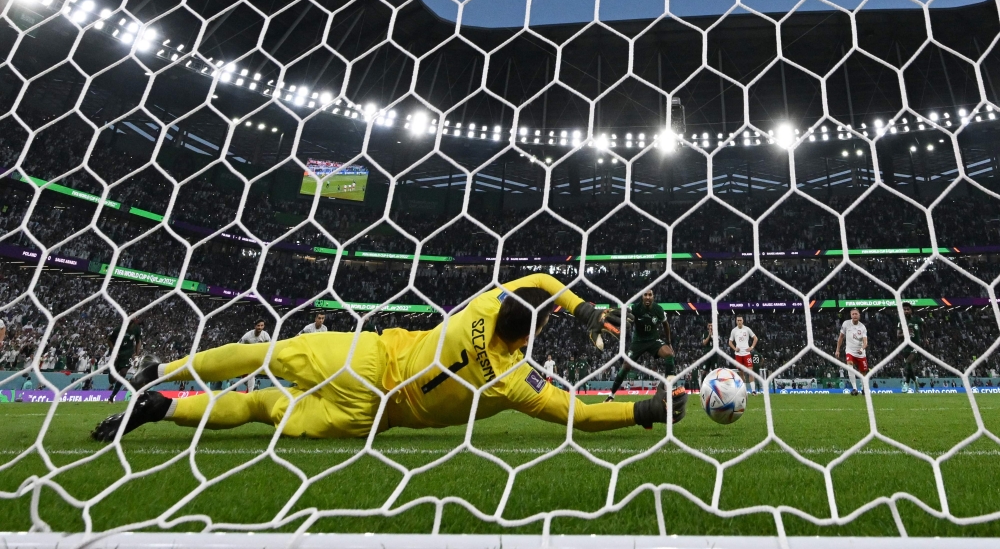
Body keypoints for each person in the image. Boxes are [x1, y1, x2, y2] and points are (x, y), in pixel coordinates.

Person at [91, 274, 687, 442]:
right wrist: (644, 413)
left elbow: (536, 279)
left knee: (262, 353)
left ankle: (163, 373)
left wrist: (576, 305)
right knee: (256, 406)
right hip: (373, 414)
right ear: (530, 338)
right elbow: (578, 415)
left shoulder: (479, 308)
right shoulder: (511, 381)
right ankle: (162, 408)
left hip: (364, 356)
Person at [605, 289, 675, 403]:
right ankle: (611, 395)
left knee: (669, 355)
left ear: (653, 297)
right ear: (642, 297)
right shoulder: (635, 308)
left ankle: (667, 392)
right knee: (626, 366)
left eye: (650, 295)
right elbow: (624, 313)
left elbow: (666, 325)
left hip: (653, 340)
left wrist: (669, 343)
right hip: (638, 341)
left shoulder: (658, 310)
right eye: (645, 295)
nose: (647, 297)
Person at [108, 319, 142, 403]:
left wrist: (137, 354)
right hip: (117, 354)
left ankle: (112, 397)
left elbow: (138, 342)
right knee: (112, 380)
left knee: (123, 373)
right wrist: (114, 351)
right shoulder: (118, 329)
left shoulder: (137, 329)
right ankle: (113, 378)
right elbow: (109, 340)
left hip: (128, 355)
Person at [835, 308, 868, 397]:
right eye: (853, 314)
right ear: (851, 316)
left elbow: (865, 342)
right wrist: (837, 350)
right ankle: (854, 388)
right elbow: (841, 337)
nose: (854, 315)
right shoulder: (846, 324)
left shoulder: (862, 327)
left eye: (856, 314)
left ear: (859, 315)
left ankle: (864, 388)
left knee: (863, 372)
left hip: (860, 352)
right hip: (850, 350)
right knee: (849, 364)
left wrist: (862, 349)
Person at [237, 319, 271, 392]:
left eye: (262, 325)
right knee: (244, 378)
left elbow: (270, 346)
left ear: (264, 326)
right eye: (258, 325)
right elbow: (238, 345)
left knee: (251, 374)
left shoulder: (265, 335)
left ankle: (250, 393)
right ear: (255, 326)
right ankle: (254, 388)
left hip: (257, 358)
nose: (260, 327)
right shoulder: (247, 336)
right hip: (246, 357)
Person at [728, 316, 758, 395]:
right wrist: (734, 348)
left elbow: (755, 338)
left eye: (740, 320)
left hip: (746, 354)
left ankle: (753, 391)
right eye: (738, 320)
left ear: (743, 320)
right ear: (736, 321)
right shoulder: (734, 331)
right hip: (738, 355)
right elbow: (730, 342)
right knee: (741, 373)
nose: (739, 322)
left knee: (750, 372)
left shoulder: (747, 329)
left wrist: (751, 347)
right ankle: (744, 391)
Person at [897, 302, 922, 392]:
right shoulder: (901, 322)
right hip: (905, 347)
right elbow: (898, 335)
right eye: (904, 310)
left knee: (908, 362)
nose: (906, 311)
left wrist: (926, 338)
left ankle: (906, 384)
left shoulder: (917, 319)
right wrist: (906, 333)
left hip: (915, 346)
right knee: (909, 366)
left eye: (908, 309)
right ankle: (915, 381)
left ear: (911, 310)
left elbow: (925, 326)